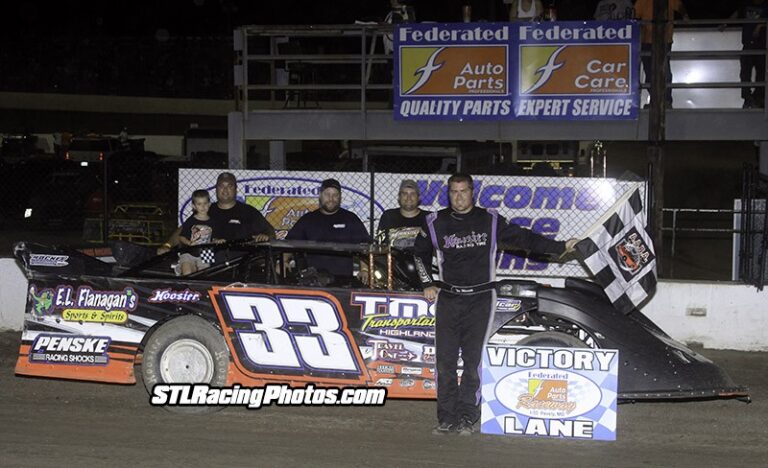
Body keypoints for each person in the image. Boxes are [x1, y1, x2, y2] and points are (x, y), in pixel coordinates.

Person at [413, 173, 577, 436]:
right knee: (444, 361)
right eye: (454, 192)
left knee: (472, 361)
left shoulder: (489, 219)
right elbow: (417, 252)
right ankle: (446, 418)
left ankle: (467, 417)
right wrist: (426, 282)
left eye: (463, 191)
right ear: (448, 194)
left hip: (480, 299)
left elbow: (524, 238)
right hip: (448, 299)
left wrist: (560, 246)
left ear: (472, 192)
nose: (459, 197)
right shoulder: (435, 222)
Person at [158, 171, 275, 254]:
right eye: (221, 186)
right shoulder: (206, 209)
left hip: (239, 261)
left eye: (229, 186)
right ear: (216, 189)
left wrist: (266, 236)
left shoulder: (248, 211)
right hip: (209, 262)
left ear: (235, 189)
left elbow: (270, 232)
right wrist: (167, 245)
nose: (225, 190)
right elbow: (184, 229)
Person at [286, 178, 371, 279]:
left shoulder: (351, 219)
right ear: (320, 196)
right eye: (327, 194)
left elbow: (364, 245)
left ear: (340, 197)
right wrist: (283, 262)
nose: (331, 199)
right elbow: (289, 244)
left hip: (344, 280)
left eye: (335, 195)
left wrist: (365, 270)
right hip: (312, 280)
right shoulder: (308, 220)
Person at [634, 0, 688, 108]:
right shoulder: (642, 1)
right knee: (650, 72)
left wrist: (685, 16)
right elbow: (634, 14)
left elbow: (680, 6)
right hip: (647, 40)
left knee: (663, 70)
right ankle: (656, 101)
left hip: (663, 40)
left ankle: (666, 100)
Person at [176, 189, 223, 275]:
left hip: (206, 252)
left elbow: (214, 238)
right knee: (187, 272)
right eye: (199, 204)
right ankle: (181, 269)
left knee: (204, 275)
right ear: (194, 206)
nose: (203, 206)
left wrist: (217, 241)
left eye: (205, 203)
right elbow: (181, 237)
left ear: (209, 204)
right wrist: (189, 243)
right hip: (189, 251)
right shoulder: (190, 220)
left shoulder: (213, 222)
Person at [732, 0, 768, 108]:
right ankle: (748, 98)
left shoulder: (766, 6)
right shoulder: (746, 4)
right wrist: (726, 22)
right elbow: (738, 13)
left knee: (761, 73)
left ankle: (759, 97)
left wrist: (760, 25)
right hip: (748, 44)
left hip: (761, 45)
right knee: (745, 73)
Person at [377, 179, 429, 249]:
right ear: (399, 197)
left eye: (412, 194)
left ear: (419, 198)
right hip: (393, 259)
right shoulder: (388, 216)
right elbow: (379, 245)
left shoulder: (429, 218)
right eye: (405, 193)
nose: (408, 198)